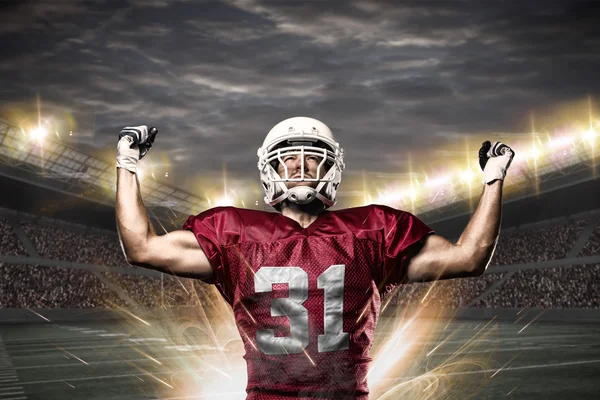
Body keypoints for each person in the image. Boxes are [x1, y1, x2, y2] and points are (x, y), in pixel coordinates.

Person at [115, 117, 514, 399]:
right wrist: (127, 163)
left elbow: (469, 257)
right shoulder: (233, 231)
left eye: (313, 157)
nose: (300, 165)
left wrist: (493, 178)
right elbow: (142, 247)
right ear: (270, 168)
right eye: (288, 157)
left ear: (332, 167)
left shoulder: (374, 230)